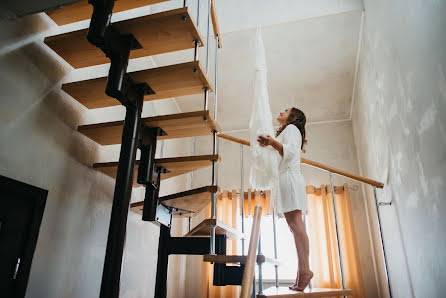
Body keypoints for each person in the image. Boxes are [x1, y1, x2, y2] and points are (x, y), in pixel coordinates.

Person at [257, 107, 313, 291]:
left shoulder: (292, 129)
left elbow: (290, 153)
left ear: (294, 116)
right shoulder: (289, 131)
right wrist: (270, 143)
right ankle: (302, 270)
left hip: (289, 177)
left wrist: (272, 142)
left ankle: (304, 270)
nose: (281, 111)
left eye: (286, 110)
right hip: (286, 178)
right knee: (294, 225)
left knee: (296, 223)